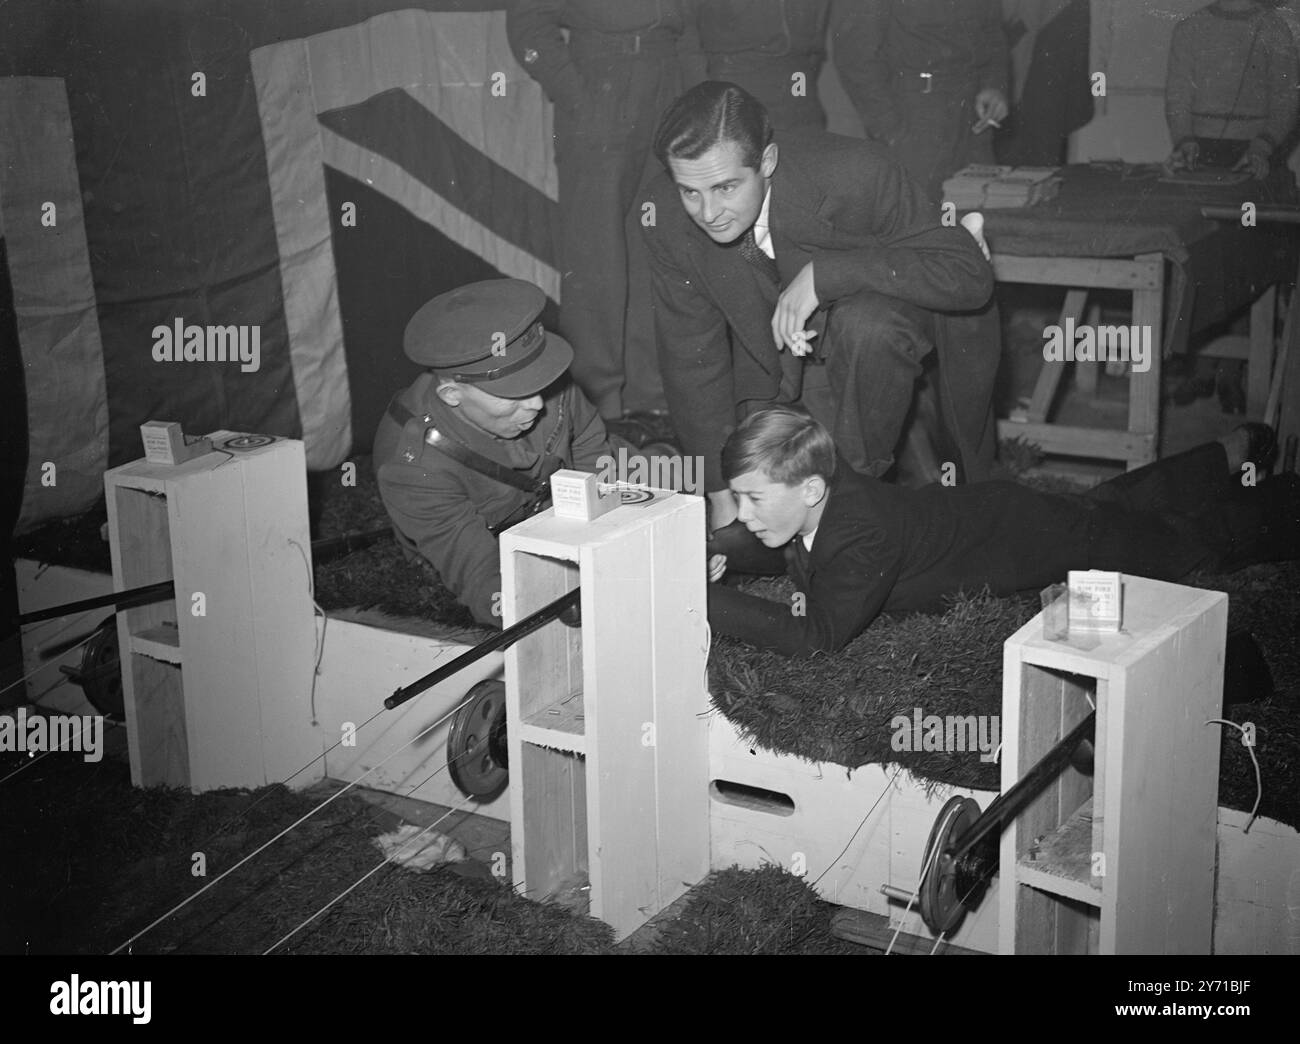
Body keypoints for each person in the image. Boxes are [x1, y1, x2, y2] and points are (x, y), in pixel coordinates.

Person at [643, 80, 1000, 532]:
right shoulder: (663, 213)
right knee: (760, 506)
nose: (708, 211)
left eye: (726, 187)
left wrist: (826, 275)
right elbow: (689, 356)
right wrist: (719, 492)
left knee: (869, 326)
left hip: (883, 332)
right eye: (691, 192)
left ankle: (852, 505)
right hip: (781, 362)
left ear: (767, 161)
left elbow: (967, 275)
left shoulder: (857, 171)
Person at [705, 405, 1299, 657]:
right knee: (1109, 511)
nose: (745, 515)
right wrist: (723, 557)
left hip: (1025, 537)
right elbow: (782, 548)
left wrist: (699, 600)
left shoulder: (864, 533)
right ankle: (1221, 457)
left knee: (1175, 547)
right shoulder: (819, 493)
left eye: (752, 499)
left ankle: (1282, 499)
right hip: (997, 516)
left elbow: (818, 636)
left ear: (810, 489)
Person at [507, 0, 700, 426]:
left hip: (669, 82)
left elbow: (692, 26)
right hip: (601, 79)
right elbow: (527, 23)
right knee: (595, 255)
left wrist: (693, 97)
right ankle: (598, 403)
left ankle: (652, 395)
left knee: (658, 243)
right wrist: (576, 94)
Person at [373, 279, 609, 627]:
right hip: (493, 542)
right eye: (513, 394)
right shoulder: (412, 467)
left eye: (537, 382)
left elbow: (588, 438)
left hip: (555, 497)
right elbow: (479, 573)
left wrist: (598, 517)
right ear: (453, 394)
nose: (537, 403)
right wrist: (534, 605)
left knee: (661, 476)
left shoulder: (541, 380)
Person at [830, 0, 1010, 203]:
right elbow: (856, 58)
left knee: (981, 218)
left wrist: (995, 86)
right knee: (919, 219)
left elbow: (993, 34)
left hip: (974, 121)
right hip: (915, 119)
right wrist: (892, 132)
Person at [1163, 0, 1299, 184]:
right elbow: (1177, 97)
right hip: (1199, 149)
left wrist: (1262, 148)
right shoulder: (1189, 27)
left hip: (1259, 152)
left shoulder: (1276, 29)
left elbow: (1286, 101)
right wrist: (1184, 140)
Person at [683, 0, 831, 131]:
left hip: (798, 82)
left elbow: (815, 44)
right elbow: (687, 37)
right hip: (736, 77)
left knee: (806, 149)